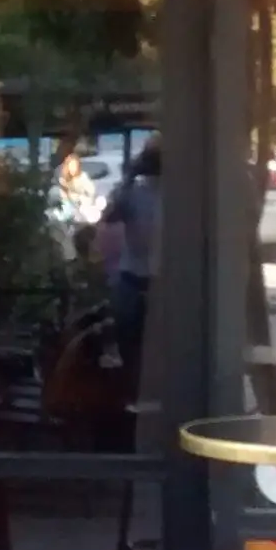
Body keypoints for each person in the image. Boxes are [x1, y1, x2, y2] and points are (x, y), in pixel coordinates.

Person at [99, 142, 160, 383]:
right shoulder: (136, 192)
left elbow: (110, 215)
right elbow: (111, 215)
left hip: (141, 277)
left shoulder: (137, 191)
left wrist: (129, 176)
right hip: (138, 277)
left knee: (133, 342)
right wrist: (129, 178)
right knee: (131, 341)